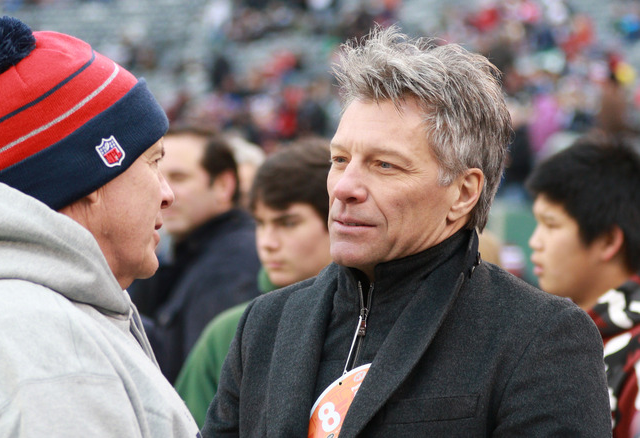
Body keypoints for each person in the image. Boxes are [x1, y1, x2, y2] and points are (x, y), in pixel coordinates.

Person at [201, 25, 611, 437]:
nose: (345, 187)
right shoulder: (264, 325)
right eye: (340, 160)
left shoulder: (540, 338)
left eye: (385, 165)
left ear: (463, 192)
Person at [0, 16, 199, 437]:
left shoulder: (11, 314)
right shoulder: (41, 337)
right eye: (152, 161)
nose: (166, 193)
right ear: (94, 177)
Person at [176, 139, 332, 427]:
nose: (268, 243)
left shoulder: (370, 318)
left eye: (287, 223)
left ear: (336, 220)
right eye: (260, 223)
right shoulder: (227, 332)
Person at [525, 136, 640, 438]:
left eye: (551, 225)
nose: (535, 242)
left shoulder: (633, 358)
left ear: (607, 241)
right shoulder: (557, 331)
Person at [129, 126, 261, 383]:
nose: (163, 190)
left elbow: (211, 386)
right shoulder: (188, 254)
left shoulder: (232, 265)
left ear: (223, 185)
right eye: (155, 173)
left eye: (179, 177)